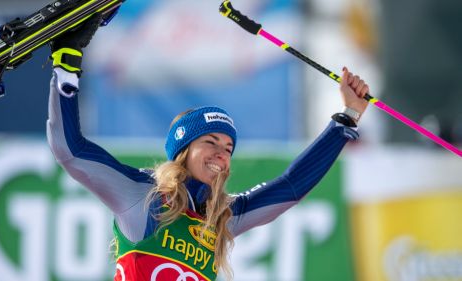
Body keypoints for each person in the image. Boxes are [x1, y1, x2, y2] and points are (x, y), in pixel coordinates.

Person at [46, 15, 369, 281]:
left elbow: (290, 187)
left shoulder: (222, 218)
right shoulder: (142, 197)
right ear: (183, 150)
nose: (221, 154)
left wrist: (347, 116)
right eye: (210, 142)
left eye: (229, 148)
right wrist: (67, 62)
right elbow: (70, 150)